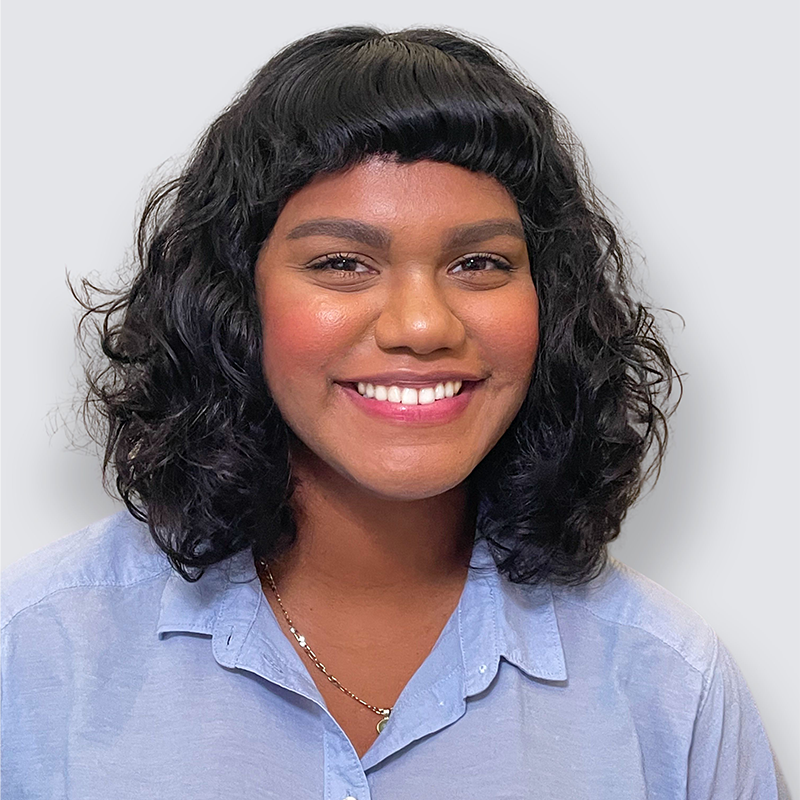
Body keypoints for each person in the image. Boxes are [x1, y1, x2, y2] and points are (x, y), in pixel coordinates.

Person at [1, 25, 789, 799]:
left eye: (479, 262)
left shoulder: (669, 689)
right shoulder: (31, 654)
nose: (421, 324)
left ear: (550, 302)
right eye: (343, 263)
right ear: (234, 299)